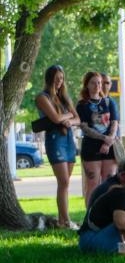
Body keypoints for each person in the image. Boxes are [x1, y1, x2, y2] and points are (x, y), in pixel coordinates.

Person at [35, 65, 80, 229]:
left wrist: (70, 120)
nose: (59, 82)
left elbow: (78, 119)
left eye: (61, 78)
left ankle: (62, 221)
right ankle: (67, 221)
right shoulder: (42, 97)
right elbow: (55, 118)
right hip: (55, 140)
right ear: (49, 79)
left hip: (68, 140)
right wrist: (69, 116)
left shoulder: (65, 97)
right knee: (63, 181)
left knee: (66, 183)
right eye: (56, 78)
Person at [76, 71, 119, 206]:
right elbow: (84, 127)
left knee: (109, 182)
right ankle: (90, 215)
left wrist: (109, 140)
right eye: (93, 83)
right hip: (91, 148)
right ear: (86, 85)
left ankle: (109, 213)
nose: (97, 86)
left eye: (99, 82)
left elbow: (114, 122)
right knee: (93, 183)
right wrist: (103, 138)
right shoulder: (82, 105)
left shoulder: (109, 102)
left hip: (110, 148)